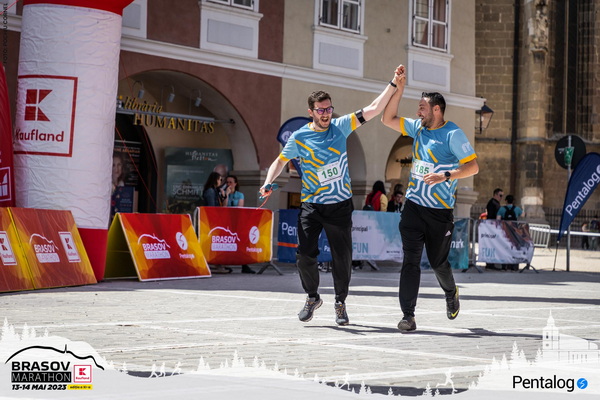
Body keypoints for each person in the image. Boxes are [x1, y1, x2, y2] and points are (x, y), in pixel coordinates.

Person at [259, 66, 402, 326]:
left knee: (342, 258)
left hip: (339, 206)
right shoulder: (300, 137)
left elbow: (374, 108)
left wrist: (393, 83)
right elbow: (280, 161)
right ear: (311, 112)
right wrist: (268, 182)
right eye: (321, 110)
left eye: (328, 109)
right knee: (305, 255)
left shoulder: (341, 126)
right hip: (311, 205)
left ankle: (340, 302)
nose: (326, 114)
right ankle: (312, 297)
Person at [381, 64, 479, 332]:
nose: (418, 112)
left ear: (437, 110)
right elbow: (387, 119)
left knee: (438, 263)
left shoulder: (453, 134)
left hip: (439, 212)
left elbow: (473, 167)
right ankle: (408, 316)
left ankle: (451, 292)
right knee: (410, 261)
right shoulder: (417, 128)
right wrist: (398, 89)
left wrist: (446, 175)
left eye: (422, 108)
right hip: (413, 207)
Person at [224, 174, 256, 274]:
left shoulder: (239, 195)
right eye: (227, 182)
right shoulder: (224, 193)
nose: (229, 184)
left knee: (241, 242)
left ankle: (244, 265)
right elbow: (224, 206)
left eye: (231, 182)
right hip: (226, 220)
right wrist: (226, 195)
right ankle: (224, 263)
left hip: (237, 221)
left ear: (235, 184)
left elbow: (240, 207)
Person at [497, 194, 523, 271]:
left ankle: (504, 265)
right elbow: (523, 215)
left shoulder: (502, 209)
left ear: (506, 201)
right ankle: (513, 266)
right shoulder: (517, 209)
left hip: (505, 231)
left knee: (504, 247)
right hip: (514, 231)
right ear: (513, 201)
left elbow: (498, 219)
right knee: (514, 247)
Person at [484, 188, 504, 270]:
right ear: (495, 195)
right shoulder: (493, 203)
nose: (501, 197)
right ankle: (490, 264)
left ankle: (491, 263)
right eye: (500, 195)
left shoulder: (495, 203)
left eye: (502, 196)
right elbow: (493, 215)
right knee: (491, 244)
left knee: (493, 245)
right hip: (492, 226)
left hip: (493, 226)